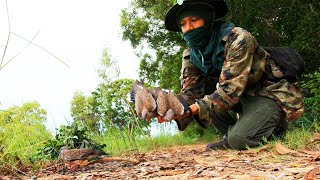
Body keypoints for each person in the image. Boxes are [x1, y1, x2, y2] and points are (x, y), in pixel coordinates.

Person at [156, 0, 304, 150]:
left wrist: (190, 110)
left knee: (239, 140)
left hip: (267, 94)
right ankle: (234, 134)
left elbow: (229, 92)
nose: (189, 28)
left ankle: (274, 127)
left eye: (194, 20)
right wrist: (168, 106)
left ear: (207, 18)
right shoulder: (190, 55)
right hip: (240, 98)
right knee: (204, 97)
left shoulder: (238, 39)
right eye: (183, 24)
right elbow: (190, 93)